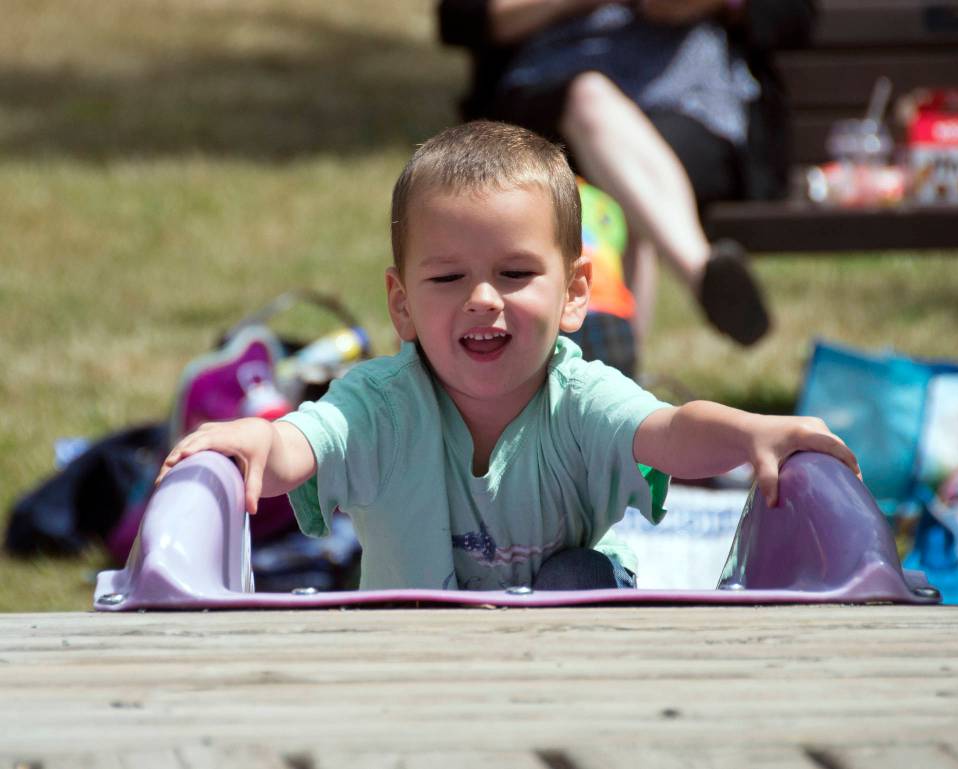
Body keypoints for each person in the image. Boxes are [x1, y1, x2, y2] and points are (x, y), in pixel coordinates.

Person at [156, 121, 858, 592]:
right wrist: (256, 438)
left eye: (516, 273)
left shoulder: (580, 398)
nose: (483, 299)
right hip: (411, 669)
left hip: (566, 662)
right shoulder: (379, 403)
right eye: (447, 277)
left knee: (577, 575)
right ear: (401, 305)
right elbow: (300, 444)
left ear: (575, 292)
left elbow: (671, 433)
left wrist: (754, 432)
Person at [437, 0, 817, 350]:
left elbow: (793, 15)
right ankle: (700, 273)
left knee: (621, 176)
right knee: (595, 109)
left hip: (686, 105)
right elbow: (462, 18)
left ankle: (611, 390)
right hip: (551, 99)